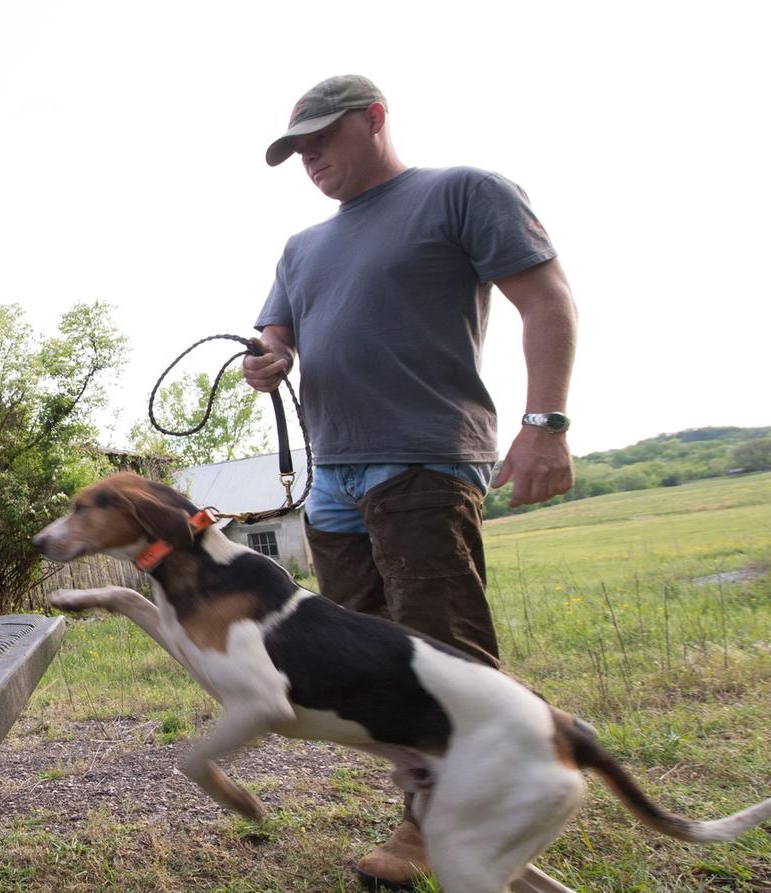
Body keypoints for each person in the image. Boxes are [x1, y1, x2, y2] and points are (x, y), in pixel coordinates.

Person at [243, 75, 578, 890]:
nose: (311, 158)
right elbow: (273, 336)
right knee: (376, 673)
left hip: (423, 459)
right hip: (333, 479)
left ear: (375, 119)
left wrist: (546, 425)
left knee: (446, 656)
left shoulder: (462, 194)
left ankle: (432, 826)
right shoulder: (301, 247)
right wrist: (269, 359)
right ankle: (529, 747)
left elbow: (549, 302)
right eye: (297, 150)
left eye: (323, 138)